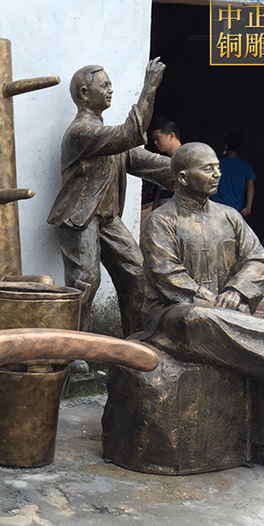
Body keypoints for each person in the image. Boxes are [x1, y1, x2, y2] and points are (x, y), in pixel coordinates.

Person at [139, 142, 264, 471]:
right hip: (174, 315)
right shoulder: (160, 221)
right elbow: (168, 276)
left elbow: (258, 261)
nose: (217, 173)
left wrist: (236, 290)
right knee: (199, 317)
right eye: (208, 168)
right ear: (183, 177)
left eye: (217, 166)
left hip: (226, 314)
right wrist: (214, 304)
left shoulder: (229, 216)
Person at [47, 58, 176, 341]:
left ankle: (135, 344)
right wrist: (150, 87)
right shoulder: (82, 132)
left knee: (137, 274)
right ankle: (72, 350)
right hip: (79, 218)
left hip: (106, 219)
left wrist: (182, 169)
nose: (110, 90)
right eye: (104, 85)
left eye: (110, 85)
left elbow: (142, 161)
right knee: (85, 282)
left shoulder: (106, 136)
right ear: (84, 93)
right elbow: (129, 135)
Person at [211, 131, 256, 216]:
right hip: (237, 210)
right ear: (241, 147)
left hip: (216, 207)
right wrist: (248, 207)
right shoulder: (246, 165)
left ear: (226, 146)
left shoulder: (216, 163)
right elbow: (251, 186)